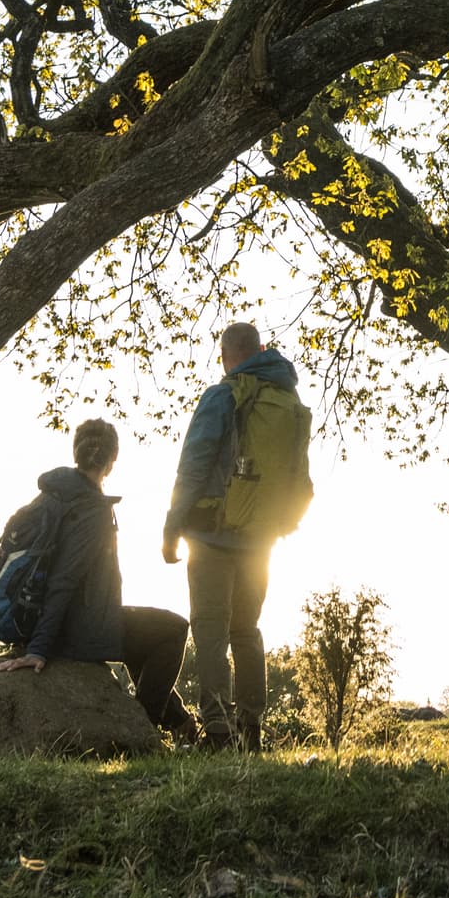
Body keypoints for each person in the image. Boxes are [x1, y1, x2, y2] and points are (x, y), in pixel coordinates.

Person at [0, 416, 199, 743]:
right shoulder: (90, 508)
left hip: (62, 620)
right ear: (112, 461)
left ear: (76, 453)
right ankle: (141, 729)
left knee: (138, 632)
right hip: (75, 630)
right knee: (173, 629)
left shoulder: (53, 495)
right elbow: (64, 580)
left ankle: (179, 721)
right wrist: (39, 650)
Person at [163, 320, 305, 751]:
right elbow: (300, 477)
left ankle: (218, 731)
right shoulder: (287, 401)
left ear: (225, 354)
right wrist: (280, 526)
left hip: (211, 536)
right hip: (261, 539)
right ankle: (251, 729)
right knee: (247, 630)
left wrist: (172, 526)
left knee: (210, 630)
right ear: (260, 349)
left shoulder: (223, 394)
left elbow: (194, 465)